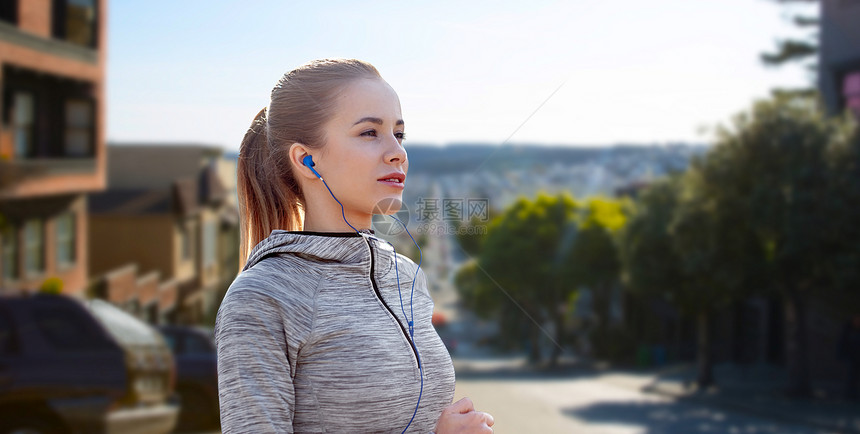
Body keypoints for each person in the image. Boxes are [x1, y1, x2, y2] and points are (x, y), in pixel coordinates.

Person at [215, 58, 495, 433]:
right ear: (307, 159)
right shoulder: (263, 297)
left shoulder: (406, 276)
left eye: (399, 133)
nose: (397, 152)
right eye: (369, 133)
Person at [838, 313, 860, 401]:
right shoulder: (848, 331)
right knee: (851, 377)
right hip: (851, 358)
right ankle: (849, 395)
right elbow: (842, 344)